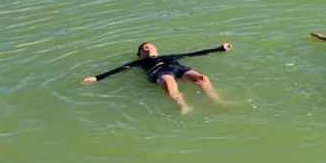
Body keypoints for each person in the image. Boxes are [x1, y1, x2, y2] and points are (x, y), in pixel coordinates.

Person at [81, 41, 231, 113]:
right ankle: (183, 106)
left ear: (156, 49)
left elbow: (194, 53)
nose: (147, 47)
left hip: (177, 68)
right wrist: (96, 78)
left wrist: (219, 49)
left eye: (150, 45)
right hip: (159, 72)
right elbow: (118, 70)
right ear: (139, 54)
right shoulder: (139, 63)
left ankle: (216, 99)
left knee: (202, 78)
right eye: (143, 48)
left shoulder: (169, 56)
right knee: (168, 82)